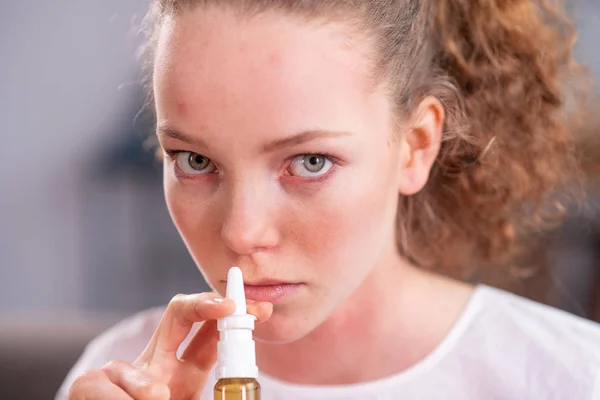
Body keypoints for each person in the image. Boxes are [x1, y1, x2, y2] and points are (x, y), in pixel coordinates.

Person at [58, 0, 599, 399]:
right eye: (194, 161)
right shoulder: (120, 376)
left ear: (415, 147)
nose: (242, 233)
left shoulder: (566, 377)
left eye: (310, 163)